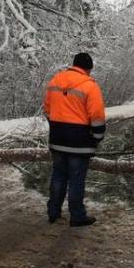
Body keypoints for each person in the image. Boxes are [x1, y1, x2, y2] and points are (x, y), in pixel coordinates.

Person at [44, 52, 106, 227]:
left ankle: (53, 212)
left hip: (57, 138)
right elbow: (97, 115)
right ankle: (77, 216)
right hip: (80, 141)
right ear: (88, 69)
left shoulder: (55, 80)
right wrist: (97, 136)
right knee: (76, 179)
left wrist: (56, 125)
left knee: (58, 176)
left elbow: (47, 109)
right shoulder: (90, 86)